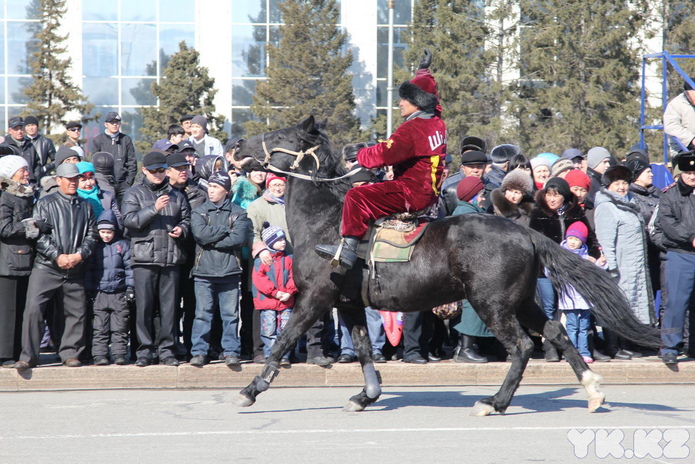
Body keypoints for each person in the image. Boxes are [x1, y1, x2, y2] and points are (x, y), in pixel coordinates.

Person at [316, 49, 446, 269]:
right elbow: (434, 99)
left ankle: (348, 250)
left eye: (405, 99)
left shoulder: (412, 129)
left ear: (418, 102)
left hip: (411, 193)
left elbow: (382, 155)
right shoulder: (436, 121)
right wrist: (423, 73)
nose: (400, 103)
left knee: (356, 196)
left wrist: (360, 154)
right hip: (429, 193)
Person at [12, 163, 97, 369]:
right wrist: (57, 256)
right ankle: (29, 356)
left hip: (74, 267)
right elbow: (38, 234)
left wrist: (79, 255)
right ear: (58, 181)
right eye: (69, 179)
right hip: (47, 267)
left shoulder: (85, 206)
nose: (73, 183)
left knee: (76, 313)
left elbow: (92, 235)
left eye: (76, 179)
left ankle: (70, 353)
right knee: (33, 310)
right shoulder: (45, 203)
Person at [121, 151, 191, 367]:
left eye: (162, 170)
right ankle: (144, 351)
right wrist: (154, 209)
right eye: (154, 171)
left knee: (170, 308)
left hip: (171, 258)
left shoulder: (177, 195)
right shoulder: (134, 193)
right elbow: (129, 221)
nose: (159, 174)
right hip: (144, 258)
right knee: (144, 307)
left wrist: (182, 229)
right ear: (144, 171)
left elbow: (187, 218)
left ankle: (167, 351)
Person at [529, 177, 601, 361]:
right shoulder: (538, 213)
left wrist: (592, 255)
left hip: (572, 271)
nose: (552, 199)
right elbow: (533, 242)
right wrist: (546, 261)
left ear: (565, 197)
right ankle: (550, 345)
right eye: (549, 195)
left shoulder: (575, 212)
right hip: (545, 271)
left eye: (557, 195)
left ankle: (584, 346)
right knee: (550, 307)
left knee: (578, 308)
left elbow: (591, 238)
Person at [189, 171, 251, 368]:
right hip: (203, 272)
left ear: (226, 190)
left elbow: (238, 239)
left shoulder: (238, 212)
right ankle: (199, 352)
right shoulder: (199, 211)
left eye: (215, 186)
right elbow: (200, 235)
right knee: (202, 314)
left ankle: (231, 351)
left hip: (230, 271)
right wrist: (224, 230)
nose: (211, 190)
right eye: (210, 186)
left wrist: (211, 239)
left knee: (231, 315)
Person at [594, 165, 654, 359]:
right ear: (608, 185)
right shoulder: (606, 207)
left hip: (634, 265)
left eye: (624, 183)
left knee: (631, 306)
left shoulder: (629, 202)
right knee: (616, 306)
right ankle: (613, 346)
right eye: (617, 183)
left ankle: (627, 343)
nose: (621, 187)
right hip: (619, 267)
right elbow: (605, 241)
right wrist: (612, 267)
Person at [656, 151, 695, 365]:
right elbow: (668, 224)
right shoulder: (669, 195)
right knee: (676, 303)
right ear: (680, 173)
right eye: (688, 172)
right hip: (681, 254)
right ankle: (670, 346)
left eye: (694, 172)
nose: (692, 176)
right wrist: (691, 237)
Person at [449, 176, 492, 363]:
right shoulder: (469, 217)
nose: (483, 199)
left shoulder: (464, 213)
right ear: (472, 196)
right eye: (481, 195)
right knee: (470, 307)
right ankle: (465, 348)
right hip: (467, 272)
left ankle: (464, 347)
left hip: (464, 270)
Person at [85, 210, 134, 366]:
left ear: (115, 231)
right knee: (100, 327)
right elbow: (89, 271)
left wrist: (130, 289)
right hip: (99, 293)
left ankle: (119, 353)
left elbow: (129, 270)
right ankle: (100, 355)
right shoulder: (95, 247)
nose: (106, 235)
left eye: (109, 232)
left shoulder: (123, 246)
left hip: (119, 293)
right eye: (103, 232)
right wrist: (89, 290)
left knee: (120, 327)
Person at [0, 156, 36, 367]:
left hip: (25, 259)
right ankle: (5, 355)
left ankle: (17, 351)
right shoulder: (5, 197)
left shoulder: (27, 195)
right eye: (22, 170)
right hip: (8, 261)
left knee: (21, 308)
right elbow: (3, 228)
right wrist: (30, 227)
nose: (26, 173)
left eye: (27, 169)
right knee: (7, 310)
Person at [559, 222, 609, 364]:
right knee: (572, 326)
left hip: (584, 298)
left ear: (582, 241)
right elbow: (550, 272)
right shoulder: (562, 255)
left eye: (576, 239)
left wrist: (601, 263)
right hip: (569, 297)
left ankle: (584, 352)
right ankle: (572, 352)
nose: (572, 242)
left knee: (584, 326)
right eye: (570, 238)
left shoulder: (586, 256)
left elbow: (596, 271)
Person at [252, 223, 297, 367]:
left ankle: (284, 355)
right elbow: (259, 279)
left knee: (285, 328)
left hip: (285, 301)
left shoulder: (289, 258)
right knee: (268, 328)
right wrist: (275, 293)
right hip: (268, 301)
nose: (283, 242)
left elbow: (294, 277)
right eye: (278, 240)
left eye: (284, 239)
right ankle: (271, 354)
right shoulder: (261, 260)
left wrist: (289, 292)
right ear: (271, 242)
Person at [90, 112, 138, 199]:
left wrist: (128, 182)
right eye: (112, 123)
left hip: (123, 184)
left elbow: (132, 162)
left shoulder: (126, 140)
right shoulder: (98, 140)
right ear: (106, 124)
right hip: (104, 184)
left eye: (117, 122)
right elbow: (94, 163)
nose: (115, 125)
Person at [76, 161, 123, 229]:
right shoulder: (74, 199)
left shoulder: (107, 196)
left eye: (90, 178)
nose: (88, 183)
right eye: (83, 180)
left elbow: (118, 220)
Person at [664, 79, 695, 157]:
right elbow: (670, 126)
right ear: (687, 93)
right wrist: (691, 139)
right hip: (682, 149)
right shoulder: (675, 104)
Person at [4, 117, 40, 184]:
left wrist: (34, 179)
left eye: (21, 129)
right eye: (16, 129)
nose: (19, 132)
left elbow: (37, 164)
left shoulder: (30, 145)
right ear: (10, 130)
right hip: (11, 185)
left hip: (29, 183)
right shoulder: (5, 147)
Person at [24, 115, 55, 180]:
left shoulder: (46, 142)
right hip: (25, 176)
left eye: (32, 125)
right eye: (28, 126)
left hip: (41, 176)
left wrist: (45, 168)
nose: (31, 128)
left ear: (37, 126)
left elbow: (55, 159)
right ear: (25, 128)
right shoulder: (22, 141)